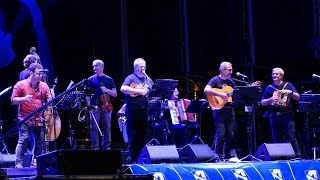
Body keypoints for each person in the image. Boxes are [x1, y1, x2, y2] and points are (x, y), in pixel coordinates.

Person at [11, 62, 52, 168]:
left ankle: (36, 162)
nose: (41, 76)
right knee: (23, 140)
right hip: (25, 118)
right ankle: (18, 163)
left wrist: (51, 97)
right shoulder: (21, 84)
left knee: (40, 141)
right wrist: (24, 99)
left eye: (42, 74)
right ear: (31, 73)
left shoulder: (44, 85)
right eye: (38, 74)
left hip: (39, 118)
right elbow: (13, 100)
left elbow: (49, 100)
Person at [260, 67, 301, 157]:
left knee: (291, 137)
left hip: (287, 115)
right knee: (276, 138)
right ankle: (279, 157)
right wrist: (271, 99)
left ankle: (297, 157)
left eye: (276, 74)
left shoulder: (288, 85)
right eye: (273, 74)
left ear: (281, 76)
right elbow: (262, 102)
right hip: (274, 116)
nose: (274, 75)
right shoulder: (269, 88)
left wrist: (290, 92)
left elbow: (298, 97)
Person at [120, 58, 153, 163]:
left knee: (143, 135)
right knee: (133, 135)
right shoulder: (131, 78)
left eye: (144, 65)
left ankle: (142, 158)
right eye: (140, 66)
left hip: (144, 111)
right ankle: (133, 159)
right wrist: (139, 91)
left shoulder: (148, 79)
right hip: (133, 111)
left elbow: (152, 91)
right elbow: (123, 88)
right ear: (135, 67)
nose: (143, 67)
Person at [204, 61, 236, 160]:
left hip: (229, 110)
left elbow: (236, 93)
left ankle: (227, 156)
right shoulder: (215, 80)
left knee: (230, 134)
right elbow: (206, 90)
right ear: (222, 70)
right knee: (221, 134)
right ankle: (218, 156)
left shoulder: (231, 82)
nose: (231, 71)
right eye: (229, 70)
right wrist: (220, 95)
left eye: (231, 69)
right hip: (219, 110)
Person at [85, 59, 117, 150]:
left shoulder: (109, 79)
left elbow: (115, 93)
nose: (93, 68)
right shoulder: (90, 79)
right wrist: (88, 107)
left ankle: (106, 147)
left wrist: (106, 90)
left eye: (95, 66)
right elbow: (87, 95)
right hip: (95, 106)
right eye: (93, 66)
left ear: (101, 66)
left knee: (107, 127)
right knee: (94, 128)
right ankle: (95, 148)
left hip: (106, 106)